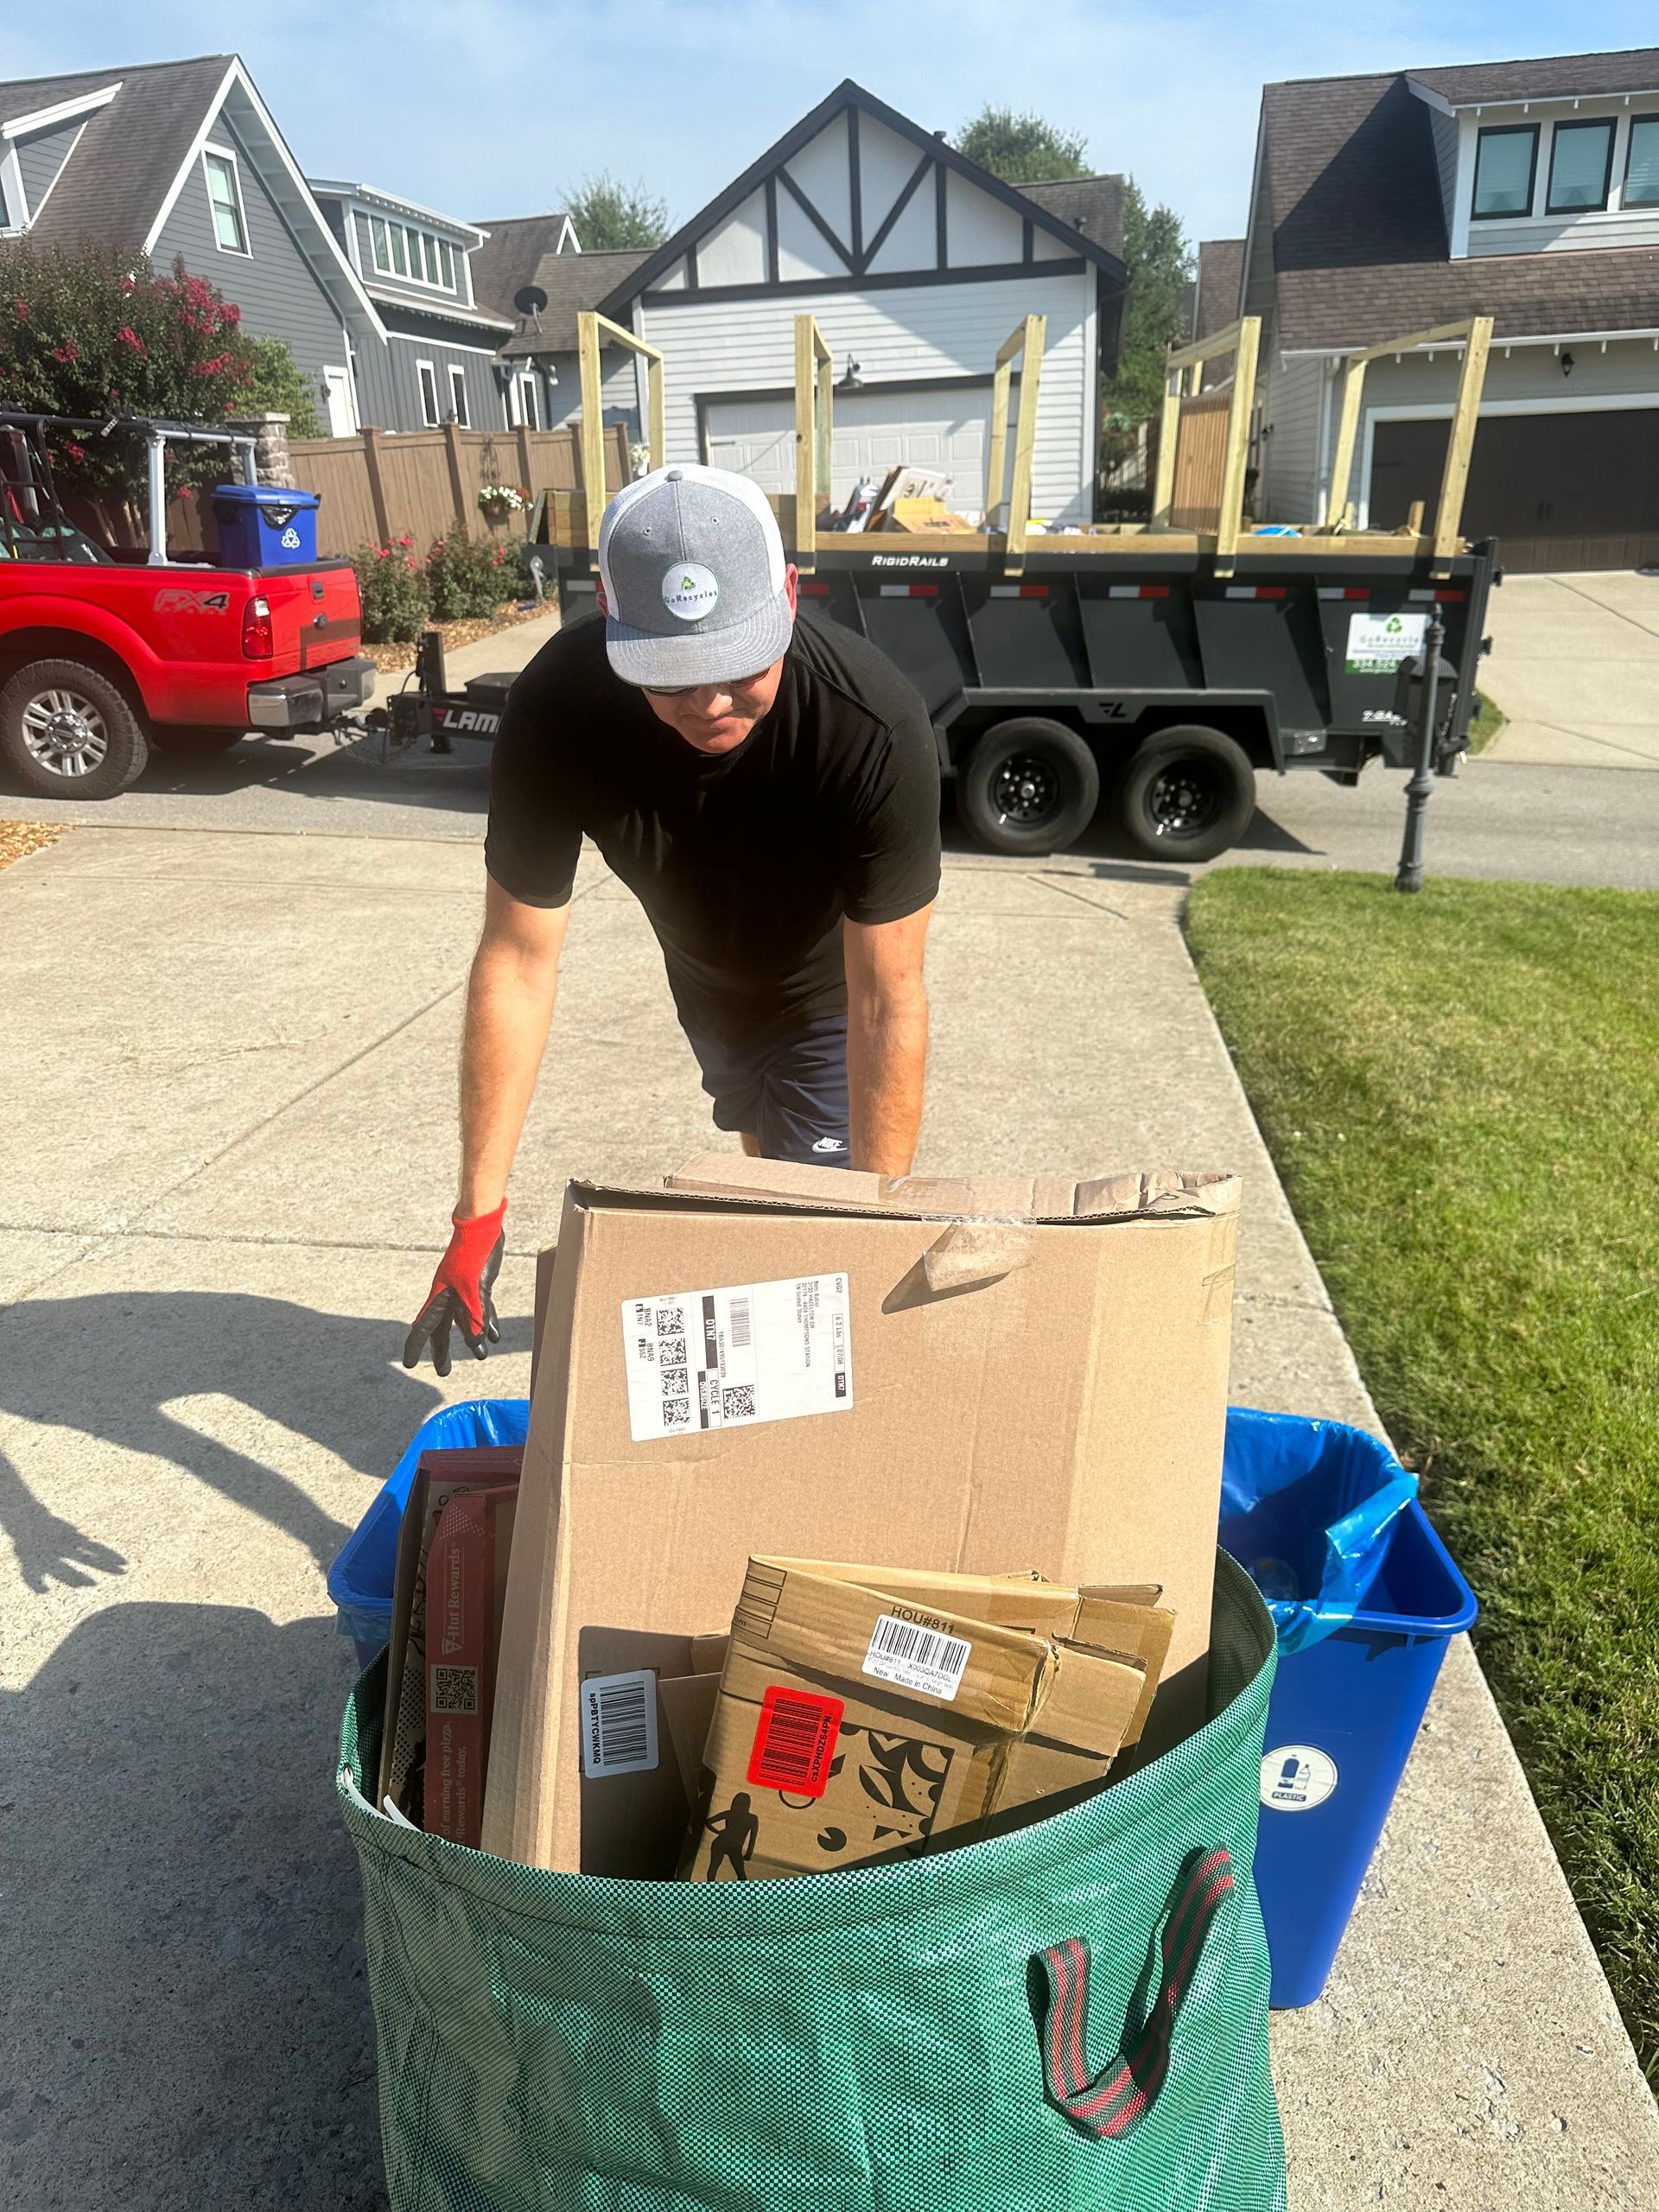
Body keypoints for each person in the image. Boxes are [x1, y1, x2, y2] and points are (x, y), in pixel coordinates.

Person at [404, 462, 941, 1375]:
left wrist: (872, 1224)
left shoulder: (869, 723)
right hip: (711, 999)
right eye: (671, 677)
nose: (710, 703)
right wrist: (477, 1215)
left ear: (789, 596)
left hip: (827, 1007)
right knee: (764, 1181)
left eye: (738, 666)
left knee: (806, 1277)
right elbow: (517, 961)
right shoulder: (561, 707)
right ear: (614, 622)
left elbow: (888, 997)